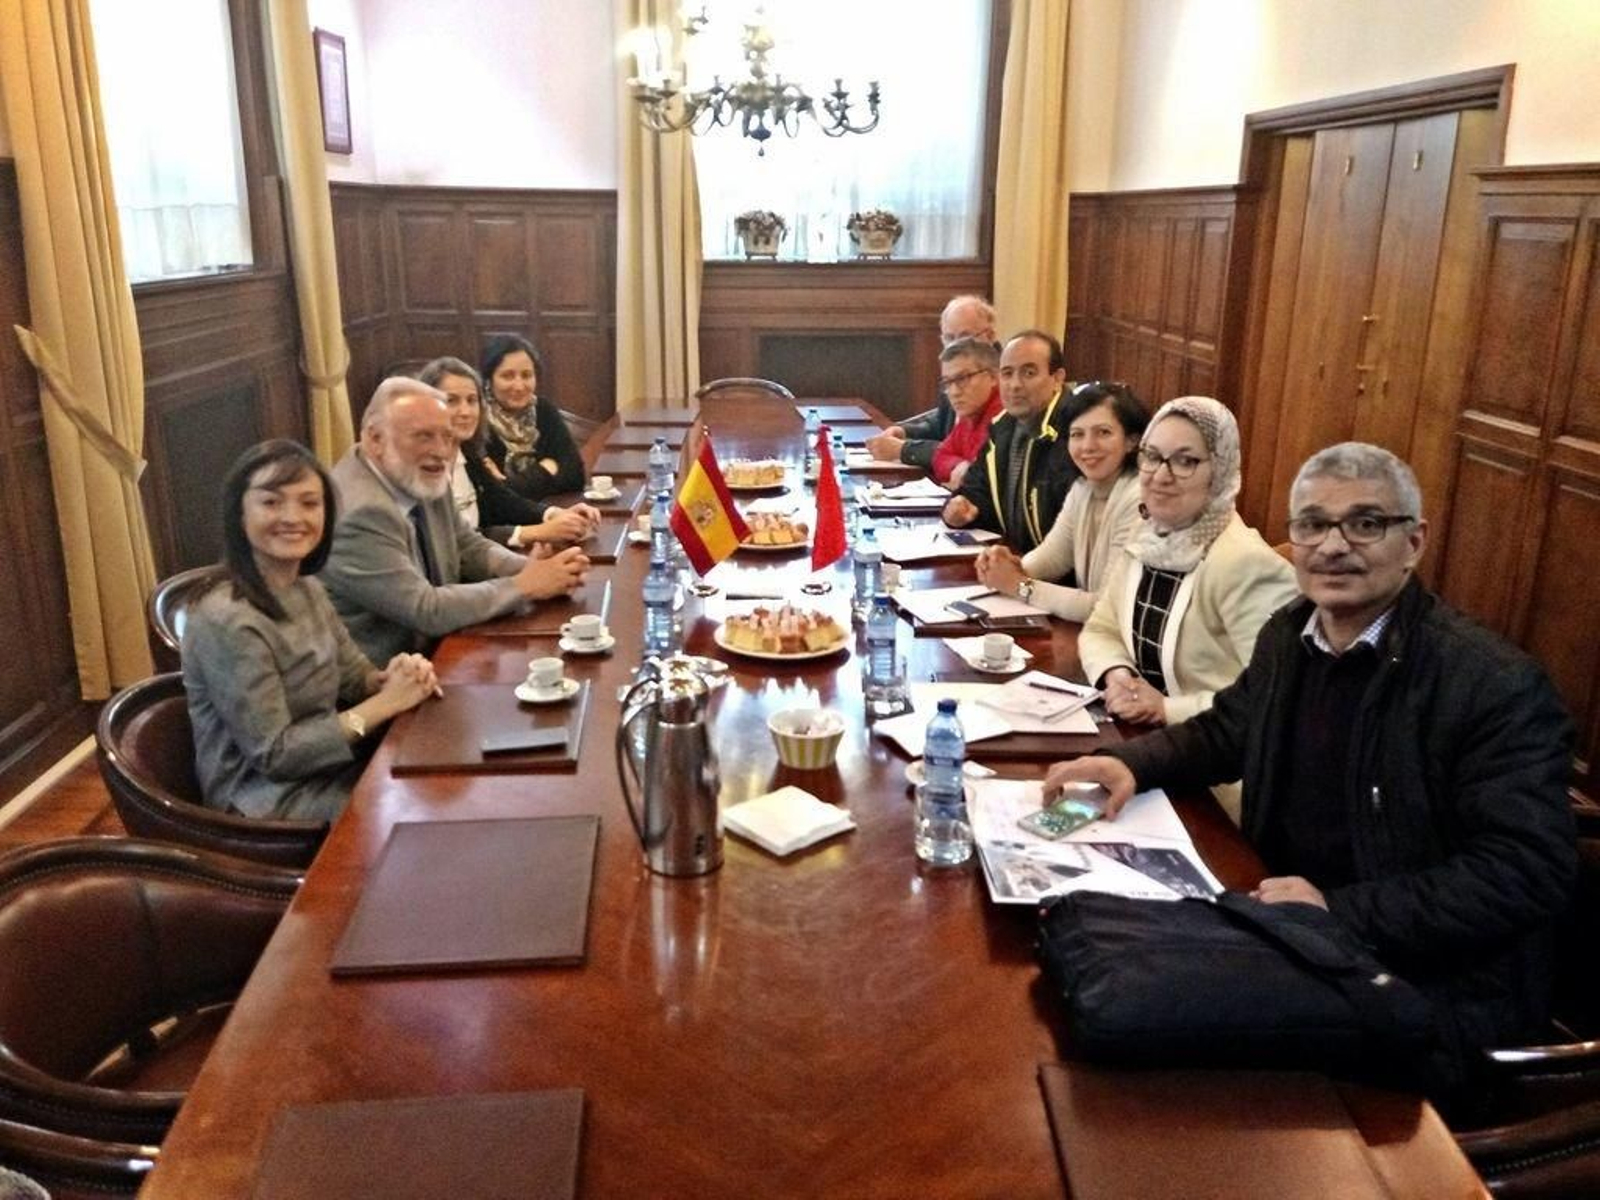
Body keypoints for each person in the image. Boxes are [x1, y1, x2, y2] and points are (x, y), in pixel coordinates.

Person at [1046, 442, 1577, 1079]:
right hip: (1286, 926)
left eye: (1366, 523)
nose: (1333, 545)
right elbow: (1230, 729)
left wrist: (1337, 910)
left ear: (1414, 542)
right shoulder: (1291, 634)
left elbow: (1525, 871)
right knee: (1093, 984)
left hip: (1421, 984)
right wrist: (1135, 764)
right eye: (1313, 525)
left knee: (1161, 1061)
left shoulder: (1491, 684)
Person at [183, 439, 440, 821]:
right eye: (271, 502)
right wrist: (385, 704)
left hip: (329, 770)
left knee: (445, 784)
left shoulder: (307, 587)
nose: (292, 517)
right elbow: (275, 755)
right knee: (419, 817)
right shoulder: (227, 618)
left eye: (309, 503)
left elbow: (354, 677)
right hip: (262, 803)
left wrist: (394, 677)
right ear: (239, 513)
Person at [320, 376, 590, 665]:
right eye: (423, 436)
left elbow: (467, 545)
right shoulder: (359, 511)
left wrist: (537, 570)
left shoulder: (415, 473)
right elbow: (425, 609)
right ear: (375, 438)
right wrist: (525, 585)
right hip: (383, 680)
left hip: (441, 651)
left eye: (448, 437)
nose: (441, 451)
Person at [1077, 395, 1297, 731]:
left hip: (1217, 770)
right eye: (1152, 457)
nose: (1161, 476)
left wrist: (1166, 708)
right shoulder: (1148, 536)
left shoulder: (1245, 563)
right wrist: (1117, 675)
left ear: (1219, 471)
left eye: (1185, 461)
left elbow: (1276, 698)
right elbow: (1100, 629)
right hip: (1147, 741)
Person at [974, 381, 1148, 621]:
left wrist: (1019, 585)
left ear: (1131, 441)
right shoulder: (1083, 488)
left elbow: (1104, 607)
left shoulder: (1140, 500)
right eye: (1077, 434)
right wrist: (1007, 566)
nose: (1087, 446)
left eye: (1103, 433)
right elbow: (1054, 556)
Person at [417, 356, 600, 550]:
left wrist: (555, 514)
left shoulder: (468, 453)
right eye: (451, 401)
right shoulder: (423, 469)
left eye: (472, 401)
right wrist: (538, 532)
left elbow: (502, 501)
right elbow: (457, 542)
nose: (466, 412)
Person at [941, 330, 1079, 557]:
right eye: (1007, 373)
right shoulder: (1003, 427)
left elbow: (1066, 543)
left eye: (1029, 372)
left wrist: (1021, 575)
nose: (1015, 385)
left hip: (1055, 580)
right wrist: (959, 509)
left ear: (1057, 378)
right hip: (1016, 565)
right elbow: (975, 491)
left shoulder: (1072, 433)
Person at [864, 294, 998, 470]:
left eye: (965, 336)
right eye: (950, 338)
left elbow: (970, 463)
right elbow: (945, 426)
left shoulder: (998, 380)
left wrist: (904, 450)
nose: (956, 345)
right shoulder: (954, 370)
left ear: (989, 336)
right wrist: (905, 432)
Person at [480, 334, 586, 503]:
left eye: (526, 375)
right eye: (507, 376)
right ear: (489, 380)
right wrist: (547, 469)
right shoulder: (477, 422)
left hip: (550, 513)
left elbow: (575, 477)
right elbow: (492, 496)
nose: (519, 385)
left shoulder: (544, 411)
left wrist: (511, 484)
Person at [928, 337, 1003, 488]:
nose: (954, 392)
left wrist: (967, 473)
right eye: (948, 382)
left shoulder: (1005, 417)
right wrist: (958, 466)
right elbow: (940, 456)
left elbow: (980, 478)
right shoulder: (970, 413)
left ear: (994, 377)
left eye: (963, 378)